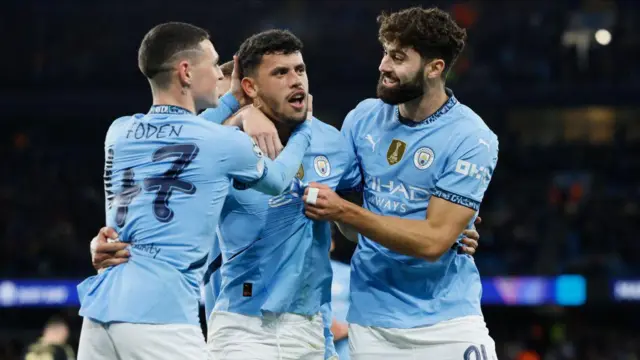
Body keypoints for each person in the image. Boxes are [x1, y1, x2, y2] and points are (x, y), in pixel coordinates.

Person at [88, 26, 481, 360]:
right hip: (239, 326)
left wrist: (444, 229)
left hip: (312, 326)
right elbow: (162, 194)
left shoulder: (337, 144)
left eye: (300, 70)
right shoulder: (223, 143)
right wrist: (108, 242)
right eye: (280, 73)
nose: (297, 80)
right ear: (250, 86)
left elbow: (361, 216)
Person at [76, 22, 312, 360]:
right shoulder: (224, 143)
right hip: (161, 315)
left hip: (100, 314)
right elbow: (277, 180)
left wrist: (234, 102)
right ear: (186, 72)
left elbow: (187, 138)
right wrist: (304, 130)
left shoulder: (119, 131)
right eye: (214, 64)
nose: (220, 73)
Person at [301, 7, 500, 359]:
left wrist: (346, 211)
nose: (383, 66)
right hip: (373, 322)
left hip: (448, 321)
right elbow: (351, 229)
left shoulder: (471, 137)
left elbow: (433, 243)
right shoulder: (363, 119)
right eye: (384, 53)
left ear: (434, 67)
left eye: (397, 57)